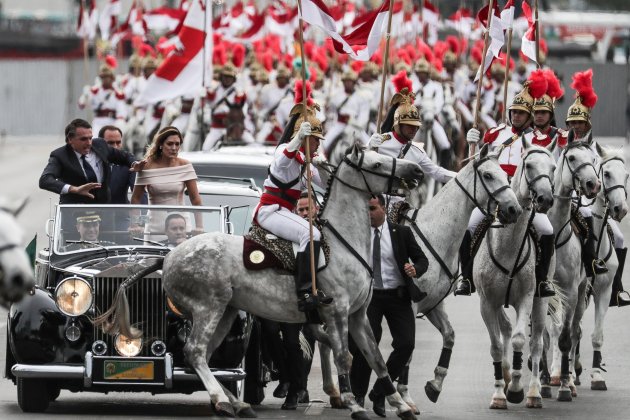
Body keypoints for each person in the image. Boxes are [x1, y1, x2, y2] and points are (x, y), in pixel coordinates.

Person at [454, 70, 556, 298]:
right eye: (514, 112)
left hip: (522, 196)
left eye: (522, 113)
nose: (517, 116)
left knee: (546, 230)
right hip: (495, 195)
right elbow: (480, 162)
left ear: (529, 116)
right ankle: (467, 278)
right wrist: (474, 144)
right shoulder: (496, 133)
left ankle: (542, 281)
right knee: (469, 227)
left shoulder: (537, 140)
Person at [349, 194, 428, 417]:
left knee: (406, 345)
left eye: (372, 208)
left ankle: (380, 392)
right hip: (369, 297)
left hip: (398, 296)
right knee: (365, 345)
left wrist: (415, 269)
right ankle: (358, 394)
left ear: (384, 208)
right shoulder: (357, 234)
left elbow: (422, 260)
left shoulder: (401, 232)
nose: (368, 214)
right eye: (365, 209)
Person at [254, 92, 331, 313]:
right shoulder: (284, 152)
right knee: (311, 234)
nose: (318, 144)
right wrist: (297, 140)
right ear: (305, 137)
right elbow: (281, 160)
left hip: (285, 212)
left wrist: (323, 165)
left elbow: (328, 185)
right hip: (271, 211)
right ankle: (306, 292)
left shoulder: (306, 162)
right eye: (316, 139)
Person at [565, 69, 629, 306]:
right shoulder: (563, 143)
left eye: (580, 122)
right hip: (567, 199)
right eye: (572, 122)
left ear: (587, 122)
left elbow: (608, 180)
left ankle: (616, 289)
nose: (576, 126)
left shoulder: (597, 151)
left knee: (620, 238)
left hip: (591, 203)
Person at [368, 71, 456, 187]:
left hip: (401, 202)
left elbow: (436, 172)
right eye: (409, 125)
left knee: (444, 142)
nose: (414, 129)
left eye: (416, 126)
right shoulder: (381, 141)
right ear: (399, 125)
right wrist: (369, 148)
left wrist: (462, 176)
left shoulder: (417, 151)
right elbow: (360, 160)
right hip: (377, 198)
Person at [39, 119, 144, 204]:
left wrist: (134, 163)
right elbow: (45, 180)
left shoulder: (100, 145)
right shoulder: (60, 156)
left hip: (104, 211)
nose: (89, 143)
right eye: (83, 139)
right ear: (70, 139)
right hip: (75, 213)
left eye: (90, 138)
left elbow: (125, 156)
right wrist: (73, 189)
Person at [130, 126, 203, 240]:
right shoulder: (146, 166)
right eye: (170, 144)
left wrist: (199, 226)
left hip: (181, 225)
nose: (174, 148)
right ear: (160, 145)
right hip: (154, 227)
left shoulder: (185, 165)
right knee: (152, 257)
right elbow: (136, 199)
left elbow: (195, 199)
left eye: (177, 144)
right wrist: (136, 225)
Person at [98, 125, 137, 205]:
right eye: (110, 143)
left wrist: (142, 214)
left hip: (120, 214)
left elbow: (138, 191)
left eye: (118, 142)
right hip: (94, 214)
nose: (115, 147)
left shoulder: (129, 163)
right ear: (100, 143)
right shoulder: (91, 161)